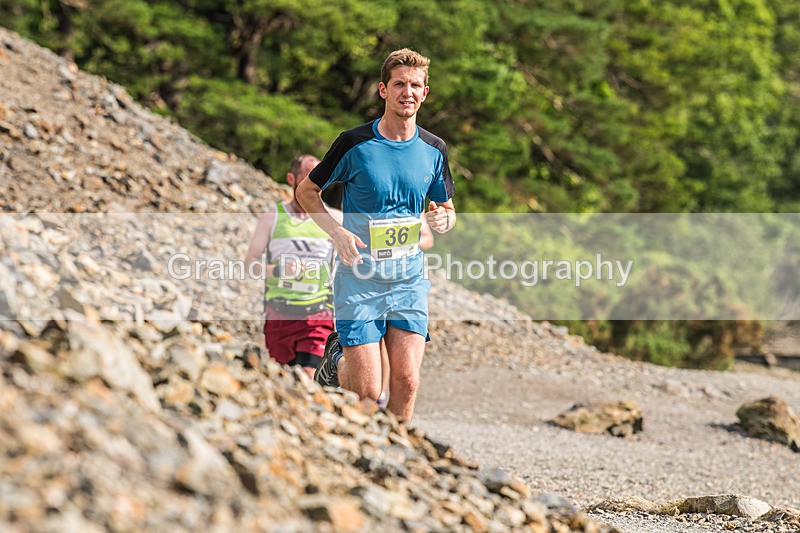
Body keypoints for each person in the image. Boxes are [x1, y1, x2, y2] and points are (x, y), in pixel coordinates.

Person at [296, 48, 456, 422]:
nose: (408, 92)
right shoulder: (354, 143)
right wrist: (336, 233)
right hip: (359, 279)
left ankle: (399, 458)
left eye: (416, 85)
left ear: (425, 92)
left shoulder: (434, 149)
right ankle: (336, 362)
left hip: (408, 279)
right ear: (383, 90)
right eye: (400, 84)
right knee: (368, 393)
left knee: (408, 381)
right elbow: (307, 191)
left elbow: (446, 209)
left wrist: (445, 220)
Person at [244, 154, 341, 379]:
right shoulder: (272, 218)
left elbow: (362, 251)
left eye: (320, 177)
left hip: (317, 314)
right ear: (291, 178)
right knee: (284, 381)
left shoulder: (335, 218)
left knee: (307, 376)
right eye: (308, 177)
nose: (314, 183)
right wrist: (279, 271)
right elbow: (250, 265)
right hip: (279, 316)